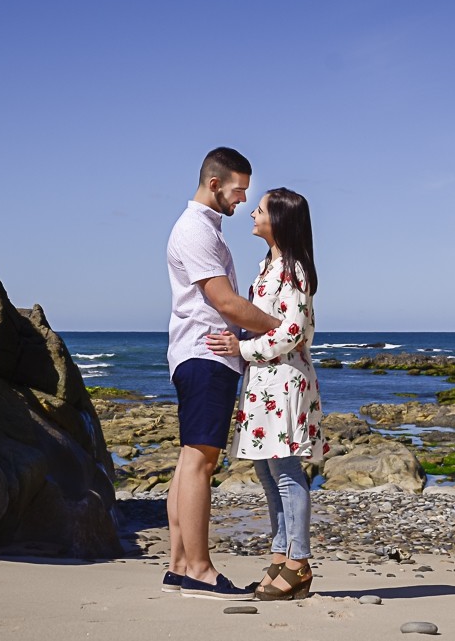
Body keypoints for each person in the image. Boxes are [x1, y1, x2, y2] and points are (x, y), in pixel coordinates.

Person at [164, 147, 281, 601]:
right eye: (238, 191)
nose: (242, 200)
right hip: (205, 355)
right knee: (201, 462)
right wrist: (286, 329)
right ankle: (198, 569)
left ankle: (178, 565)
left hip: (202, 355)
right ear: (215, 184)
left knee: (189, 459)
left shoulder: (206, 230)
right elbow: (225, 302)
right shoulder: (194, 230)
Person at [206, 187, 327, 601]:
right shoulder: (267, 266)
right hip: (263, 382)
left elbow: (292, 332)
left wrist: (240, 348)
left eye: (259, 210)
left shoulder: (294, 269)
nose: (252, 214)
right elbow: (267, 322)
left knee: (287, 472)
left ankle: (299, 563)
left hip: (284, 381)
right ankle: (280, 553)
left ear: (279, 220)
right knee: (265, 470)